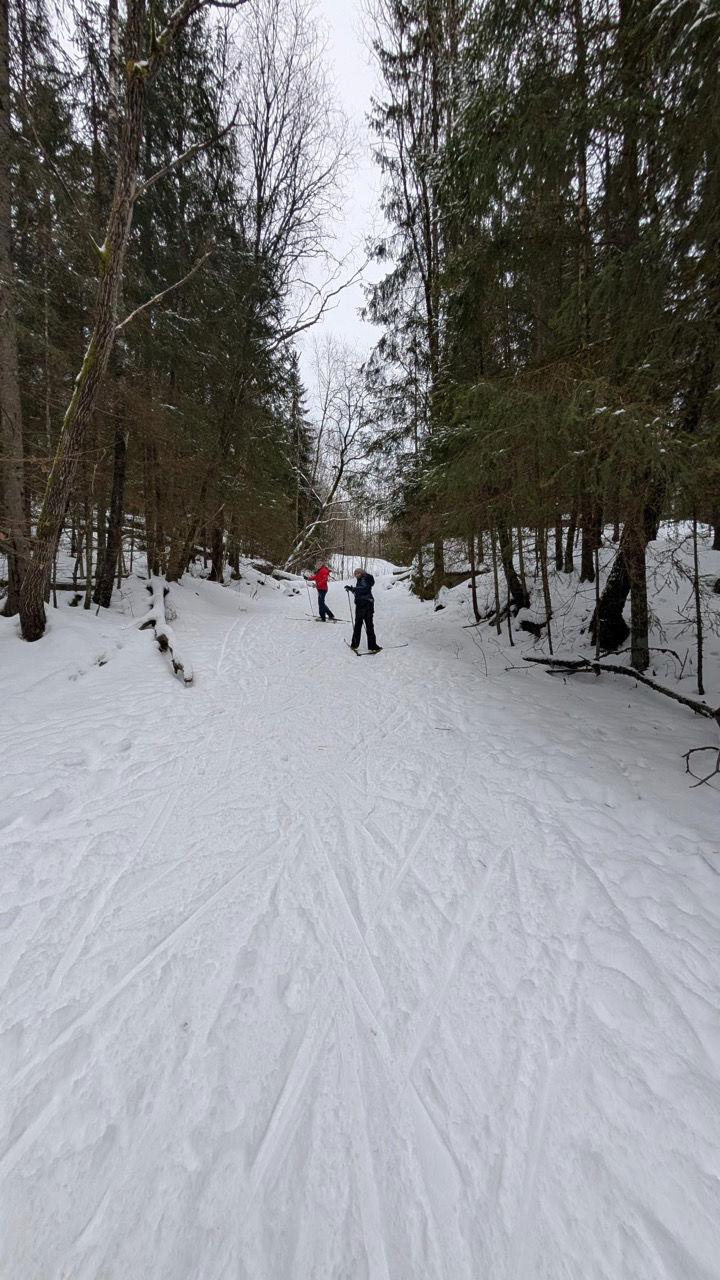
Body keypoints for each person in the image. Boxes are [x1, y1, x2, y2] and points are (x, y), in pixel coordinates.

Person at [345, 568, 382, 652]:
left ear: (361, 573)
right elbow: (362, 590)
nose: (356, 575)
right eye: (355, 574)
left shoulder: (363, 578)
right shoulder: (366, 578)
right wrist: (351, 589)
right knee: (369, 625)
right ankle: (373, 646)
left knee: (358, 624)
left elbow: (363, 588)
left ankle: (355, 645)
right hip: (369, 604)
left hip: (362, 604)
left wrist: (353, 589)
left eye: (357, 573)